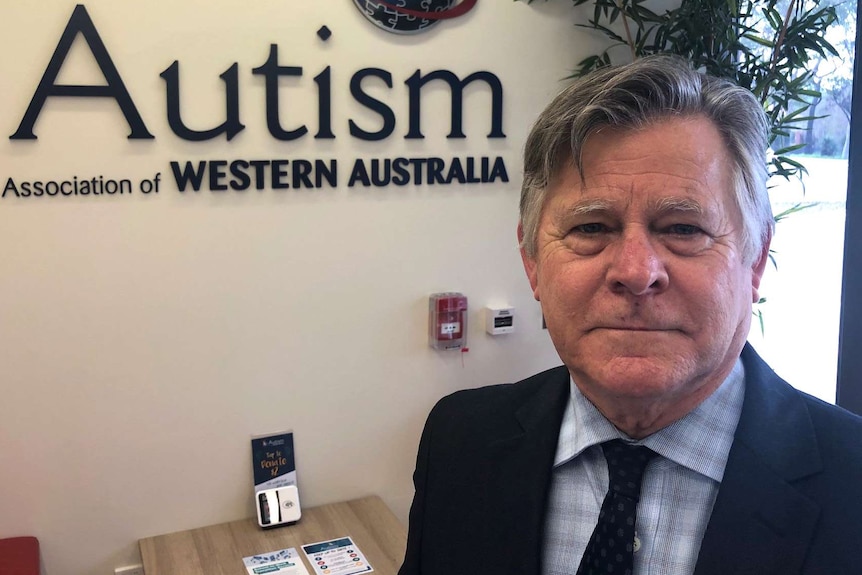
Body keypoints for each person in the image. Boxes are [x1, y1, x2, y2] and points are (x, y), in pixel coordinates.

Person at [398, 55, 862, 575]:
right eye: (591, 228)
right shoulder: (458, 443)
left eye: (684, 228)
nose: (637, 272)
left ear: (755, 260)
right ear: (531, 261)